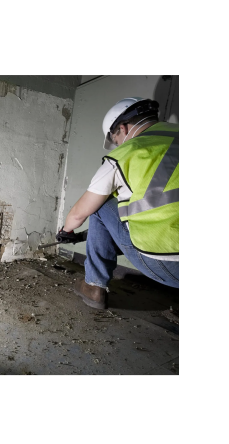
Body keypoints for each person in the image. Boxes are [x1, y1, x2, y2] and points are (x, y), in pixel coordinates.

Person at [58, 97, 179, 310]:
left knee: (101, 205)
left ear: (122, 128)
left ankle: (93, 285)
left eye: (116, 140)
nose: (118, 145)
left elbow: (79, 214)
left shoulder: (126, 152)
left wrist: (66, 232)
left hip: (168, 264)